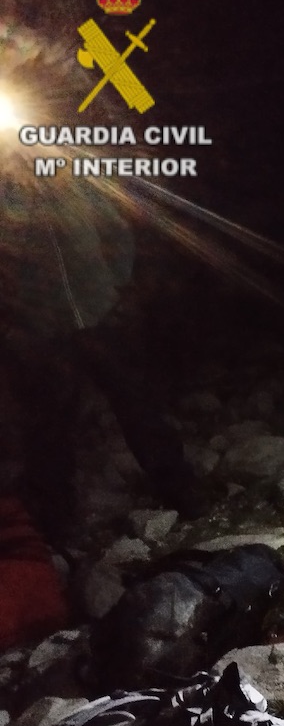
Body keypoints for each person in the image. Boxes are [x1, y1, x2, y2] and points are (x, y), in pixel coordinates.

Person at [0, 176, 205, 542]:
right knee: (49, 424)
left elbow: (115, 229)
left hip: (100, 314)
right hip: (43, 327)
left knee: (137, 402)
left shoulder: (74, 183)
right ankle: (56, 518)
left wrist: (117, 284)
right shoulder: (6, 194)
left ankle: (178, 487)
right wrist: (13, 317)